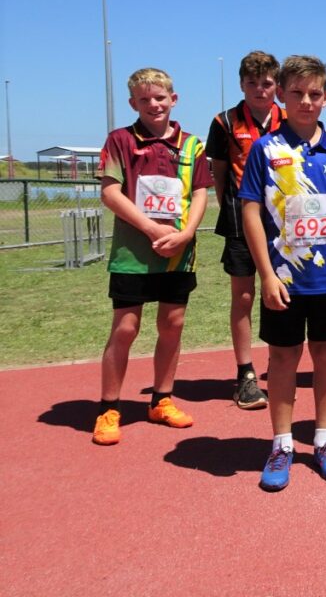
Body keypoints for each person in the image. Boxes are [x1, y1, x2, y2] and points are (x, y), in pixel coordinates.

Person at [239, 55, 326, 491]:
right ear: (282, 95)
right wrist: (267, 275)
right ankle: (282, 443)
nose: (306, 102)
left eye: (315, 94)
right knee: (284, 358)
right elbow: (250, 210)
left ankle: (325, 440)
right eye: (297, 93)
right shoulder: (265, 149)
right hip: (285, 280)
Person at [92, 67, 213, 446]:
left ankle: (162, 400)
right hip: (133, 253)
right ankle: (109, 408)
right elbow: (111, 194)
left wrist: (187, 233)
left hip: (179, 253)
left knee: (172, 324)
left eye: (160, 98)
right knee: (125, 329)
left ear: (173, 100)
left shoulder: (193, 145)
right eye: (144, 100)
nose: (153, 105)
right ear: (133, 103)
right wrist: (151, 229)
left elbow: (200, 194)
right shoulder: (120, 140)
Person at [206, 51, 284, 410]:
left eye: (266, 83)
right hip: (241, 216)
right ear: (241, 84)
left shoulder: (289, 117)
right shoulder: (223, 122)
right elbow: (219, 173)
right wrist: (234, 209)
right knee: (244, 296)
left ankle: (280, 365)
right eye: (252, 83)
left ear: (276, 86)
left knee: (283, 294)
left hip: (285, 220)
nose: (259, 89)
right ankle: (245, 373)